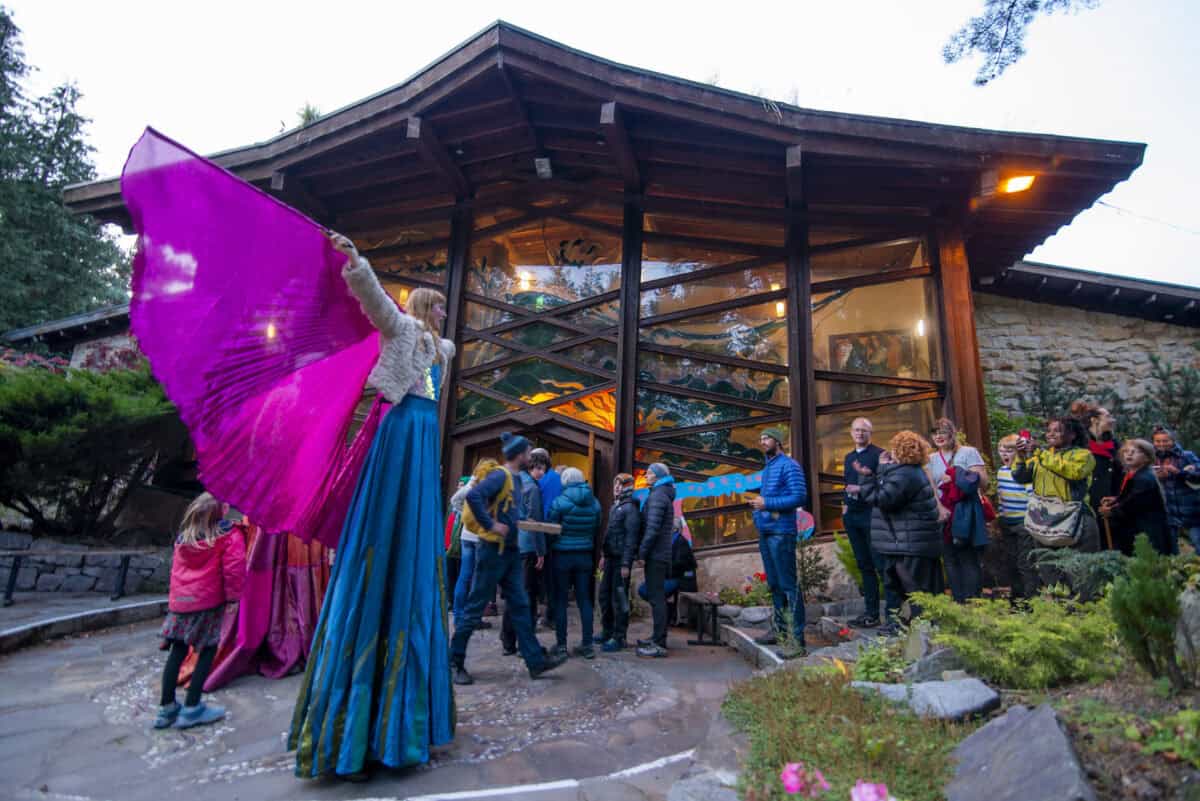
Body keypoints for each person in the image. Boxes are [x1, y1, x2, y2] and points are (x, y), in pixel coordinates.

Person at [289, 236, 455, 780]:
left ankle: (405, 717)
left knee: (415, 539)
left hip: (422, 435)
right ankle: (361, 720)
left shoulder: (436, 347)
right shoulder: (404, 329)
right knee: (387, 532)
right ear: (423, 308)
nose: (443, 313)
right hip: (401, 427)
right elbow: (375, 302)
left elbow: (447, 347)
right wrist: (356, 262)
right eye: (438, 306)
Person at [451, 433, 567, 685]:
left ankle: (535, 661)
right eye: (527, 451)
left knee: (521, 607)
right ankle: (455, 660)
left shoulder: (514, 478)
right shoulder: (501, 475)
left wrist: (519, 522)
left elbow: (506, 510)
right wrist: (491, 524)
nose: (529, 455)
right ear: (519, 454)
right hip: (492, 551)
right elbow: (474, 496)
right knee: (474, 609)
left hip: (510, 552)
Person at [155, 492, 246, 730]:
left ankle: (166, 708)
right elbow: (234, 569)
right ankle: (193, 707)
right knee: (207, 649)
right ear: (222, 511)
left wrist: (176, 600)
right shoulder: (228, 535)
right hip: (207, 603)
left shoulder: (184, 538)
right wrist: (234, 598)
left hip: (181, 604)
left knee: (177, 650)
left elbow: (176, 572)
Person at [858, 432, 944, 633]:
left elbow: (883, 499)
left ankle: (919, 630)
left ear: (900, 450)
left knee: (913, 588)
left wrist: (865, 479)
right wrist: (882, 470)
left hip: (909, 542)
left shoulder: (905, 474)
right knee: (911, 587)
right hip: (912, 540)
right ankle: (912, 626)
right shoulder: (912, 471)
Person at [1013, 417, 1099, 594]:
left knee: (1079, 574)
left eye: (1057, 430)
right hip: (1044, 519)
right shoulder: (1040, 457)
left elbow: (1073, 472)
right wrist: (1021, 457)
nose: (1050, 434)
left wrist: (1041, 453)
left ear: (1073, 435)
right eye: (1049, 430)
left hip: (1075, 520)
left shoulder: (1084, 455)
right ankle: (1060, 611)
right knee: (1048, 571)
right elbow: (1020, 477)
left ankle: (1084, 613)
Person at [747, 427, 808, 658]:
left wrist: (767, 504)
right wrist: (757, 508)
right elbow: (769, 498)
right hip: (767, 531)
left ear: (778, 441)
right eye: (761, 438)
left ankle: (797, 641)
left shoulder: (789, 465)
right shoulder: (769, 466)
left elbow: (799, 497)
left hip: (782, 532)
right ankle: (780, 630)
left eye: (767, 438)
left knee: (789, 586)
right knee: (774, 584)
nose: (763, 441)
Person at [926, 418, 989, 604]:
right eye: (935, 432)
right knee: (950, 559)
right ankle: (958, 603)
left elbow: (983, 482)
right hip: (944, 513)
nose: (938, 436)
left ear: (952, 433)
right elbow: (931, 488)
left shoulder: (968, 452)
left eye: (943, 431)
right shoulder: (930, 458)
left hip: (965, 512)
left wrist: (956, 477)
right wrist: (939, 509)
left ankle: (974, 603)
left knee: (968, 558)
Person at [840, 417, 891, 628]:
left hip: (872, 515)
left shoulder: (880, 455)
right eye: (856, 430)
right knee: (864, 565)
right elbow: (846, 484)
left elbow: (886, 487)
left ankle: (892, 615)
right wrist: (845, 505)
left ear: (870, 433)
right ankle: (871, 613)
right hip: (852, 515)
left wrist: (861, 489)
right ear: (851, 433)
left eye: (864, 430)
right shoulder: (848, 457)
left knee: (881, 565)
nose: (860, 434)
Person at [547, 467, 602, 659]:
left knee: (561, 600)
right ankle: (587, 645)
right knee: (584, 600)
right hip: (585, 556)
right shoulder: (594, 503)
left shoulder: (559, 502)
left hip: (562, 556)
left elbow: (551, 529)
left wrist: (553, 547)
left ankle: (561, 645)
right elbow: (596, 527)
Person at [501, 455, 547, 655]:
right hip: (528, 546)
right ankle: (525, 644)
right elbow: (535, 521)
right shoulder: (533, 489)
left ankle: (508, 641)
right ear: (534, 467)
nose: (543, 473)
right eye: (542, 468)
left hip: (511, 544)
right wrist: (541, 551)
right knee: (528, 596)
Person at [1101, 439, 1172, 555]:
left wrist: (1112, 511)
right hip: (1141, 530)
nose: (1129, 454)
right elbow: (1131, 496)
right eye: (1126, 451)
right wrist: (1117, 499)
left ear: (1147, 458)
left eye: (1136, 452)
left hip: (1147, 532)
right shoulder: (1133, 474)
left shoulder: (1143, 478)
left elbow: (1133, 503)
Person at [636, 462, 677, 658]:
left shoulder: (658, 496)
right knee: (656, 597)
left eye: (650, 472)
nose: (647, 474)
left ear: (659, 476)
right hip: (659, 554)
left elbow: (652, 529)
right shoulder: (660, 494)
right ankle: (656, 637)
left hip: (656, 555)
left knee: (657, 598)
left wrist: (642, 552)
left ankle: (659, 643)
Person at [598, 474, 640, 652]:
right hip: (610, 559)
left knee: (619, 599)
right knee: (604, 596)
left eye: (620, 484)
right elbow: (609, 533)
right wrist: (603, 555)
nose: (616, 487)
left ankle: (619, 637)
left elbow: (631, 538)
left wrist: (625, 564)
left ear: (628, 487)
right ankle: (607, 631)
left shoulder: (630, 509)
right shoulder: (616, 506)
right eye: (615, 483)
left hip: (621, 561)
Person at [1071, 401, 1124, 526]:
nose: (1112, 420)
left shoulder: (1113, 444)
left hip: (1110, 501)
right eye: (1108, 416)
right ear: (1094, 420)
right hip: (1088, 502)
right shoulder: (1080, 445)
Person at [1152, 426, 1200, 554]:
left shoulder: (1186, 456)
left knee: (1198, 544)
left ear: (1173, 441)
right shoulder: (1152, 459)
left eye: (1165, 441)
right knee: (1172, 551)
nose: (1161, 444)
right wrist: (1157, 477)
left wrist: (1179, 473)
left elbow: (1198, 476)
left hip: (1192, 511)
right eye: (1158, 441)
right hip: (1169, 512)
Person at [995, 435, 1032, 599]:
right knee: (1011, 561)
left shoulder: (1024, 472)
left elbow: (1032, 498)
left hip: (1023, 523)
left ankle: (1030, 597)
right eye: (1001, 451)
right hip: (1007, 523)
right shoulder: (1001, 472)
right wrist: (1000, 516)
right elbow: (1001, 496)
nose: (1005, 454)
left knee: (1025, 563)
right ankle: (1017, 597)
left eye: (1009, 450)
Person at [635, 518, 699, 608]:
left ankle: (665, 612)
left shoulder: (681, 542)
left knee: (653, 591)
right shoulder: (669, 541)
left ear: (675, 529)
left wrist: (662, 570)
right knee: (643, 590)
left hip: (681, 579)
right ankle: (666, 610)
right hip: (670, 577)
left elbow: (679, 565)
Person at [532, 448, 561, 629]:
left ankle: (535, 613)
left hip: (539, 530)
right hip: (553, 530)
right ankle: (551, 614)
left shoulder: (539, 481)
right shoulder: (556, 478)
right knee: (551, 576)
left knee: (533, 575)